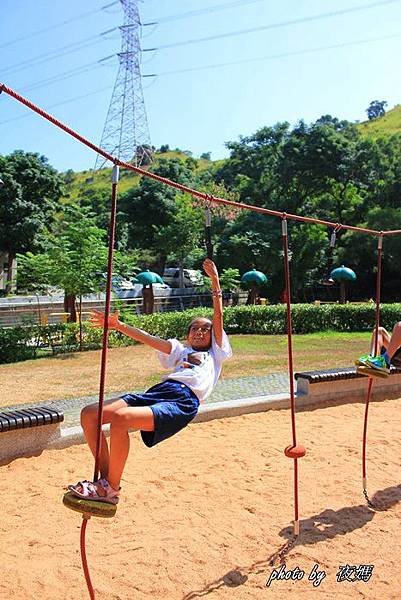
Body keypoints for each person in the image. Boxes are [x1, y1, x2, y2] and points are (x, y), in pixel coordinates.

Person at [68, 259, 232, 505]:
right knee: (89, 414)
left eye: (205, 329)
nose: (199, 332)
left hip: (183, 401)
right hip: (159, 391)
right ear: (187, 334)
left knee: (122, 420)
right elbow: (152, 340)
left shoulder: (216, 353)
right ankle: (104, 480)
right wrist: (118, 326)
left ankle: (111, 489)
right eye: (194, 329)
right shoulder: (180, 350)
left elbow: (218, 318)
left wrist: (215, 282)